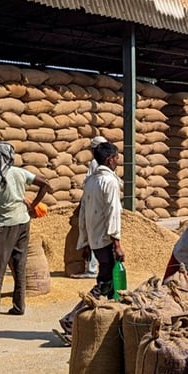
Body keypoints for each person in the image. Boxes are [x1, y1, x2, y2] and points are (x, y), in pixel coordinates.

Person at [0, 142, 51, 319]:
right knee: (19, 265)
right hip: (23, 222)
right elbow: (45, 184)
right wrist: (33, 206)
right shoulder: (20, 172)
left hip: (6, 224)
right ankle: (19, 305)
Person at [57, 142, 124, 343]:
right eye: (117, 157)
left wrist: (85, 241)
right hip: (106, 239)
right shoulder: (109, 182)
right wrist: (117, 242)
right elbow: (113, 213)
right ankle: (71, 322)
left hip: (95, 239)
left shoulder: (91, 182)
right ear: (110, 159)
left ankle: (109, 325)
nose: (118, 161)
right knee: (104, 284)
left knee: (111, 287)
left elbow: (83, 213)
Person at [80, 135, 108, 277]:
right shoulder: (108, 163)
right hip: (101, 204)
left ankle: (91, 268)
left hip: (93, 203)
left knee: (91, 235)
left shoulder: (95, 163)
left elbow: (89, 182)